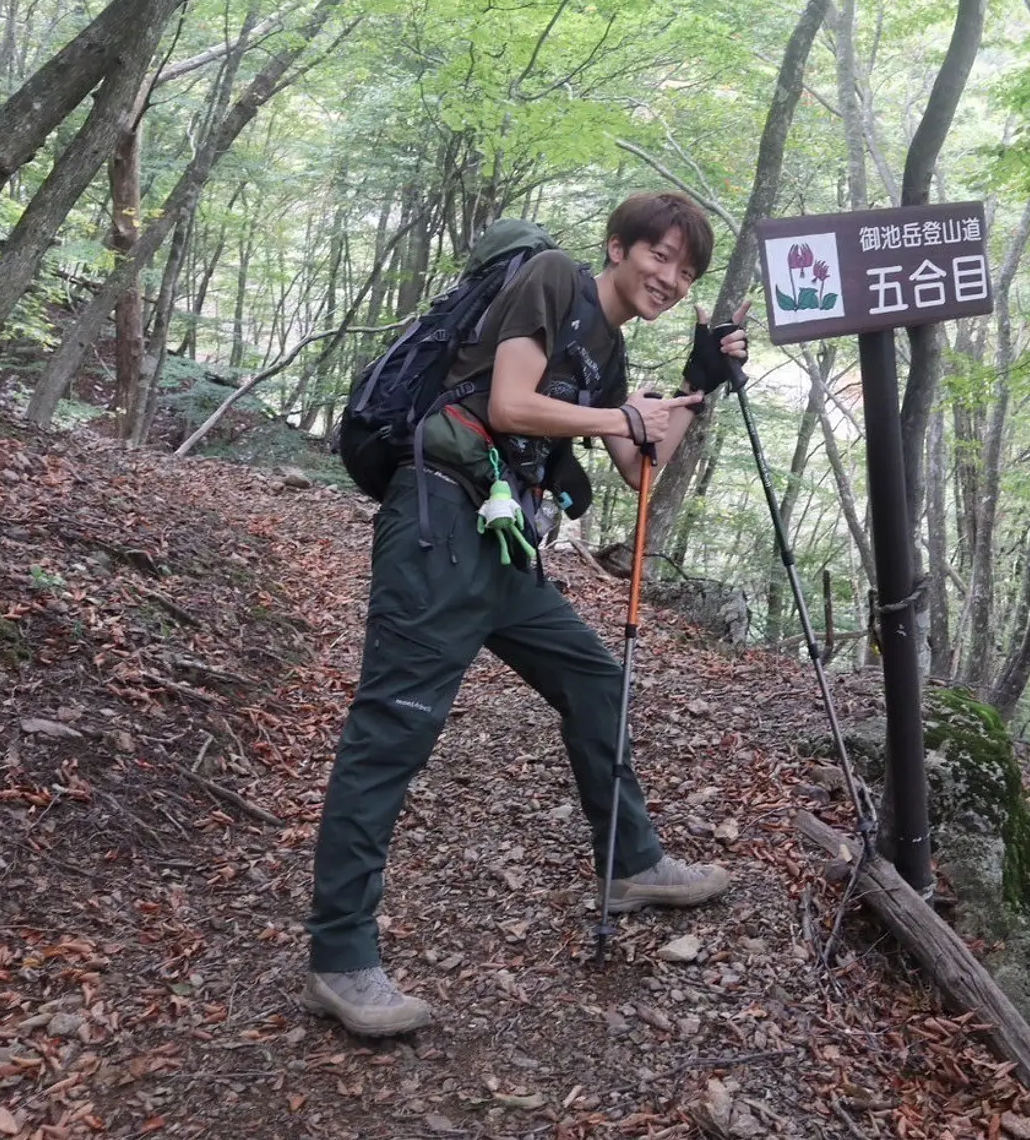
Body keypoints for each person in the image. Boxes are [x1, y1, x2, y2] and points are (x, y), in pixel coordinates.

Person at [303, 192, 748, 1037]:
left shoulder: (607, 347)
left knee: (593, 680)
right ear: (617, 248)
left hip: (505, 544)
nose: (671, 279)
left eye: (687, 273)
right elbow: (508, 403)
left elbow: (638, 470)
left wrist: (697, 386)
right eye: (660, 257)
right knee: (391, 729)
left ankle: (631, 862)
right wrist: (618, 414)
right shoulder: (552, 279)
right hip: (439, 520)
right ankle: (341, 956)